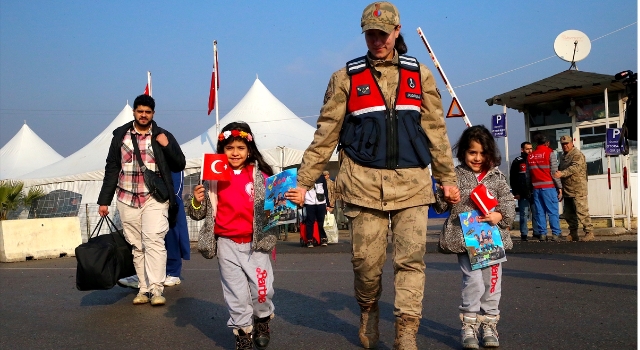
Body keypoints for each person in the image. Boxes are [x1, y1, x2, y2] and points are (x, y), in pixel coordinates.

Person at [286, 2, 460, 348]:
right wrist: (304, 182)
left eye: (383, 33)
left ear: (397, 31)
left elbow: (436, 132)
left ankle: (406, 332)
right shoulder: (345, 78)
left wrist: (447, 178)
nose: (377, 40)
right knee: (367, 264)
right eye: (370, 34)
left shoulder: (420, 75)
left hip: (412, 183)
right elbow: (326, 135)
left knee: (411, 261)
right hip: (362, 185)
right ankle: (367, 311)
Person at [188, 122, 278, 350]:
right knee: (236, 295)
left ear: (249, 149)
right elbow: (198, 214)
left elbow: (277, 207)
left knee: (262, 292)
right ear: (222, 149)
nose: (235, 152)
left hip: (256, 243)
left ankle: (262, 320)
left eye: (240, 147)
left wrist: (287, 197)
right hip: (227, 244)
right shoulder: (211, 177)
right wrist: (197, 200)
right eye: (229, 148)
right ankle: (243, 334)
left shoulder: (261, 174)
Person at [97, 94, 186, 306]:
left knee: (154, 241)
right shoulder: (120, 136)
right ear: (134, 112)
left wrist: (166, 146)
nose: (143, 115)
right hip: (126, 197)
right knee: (137, 246)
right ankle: (143, 288)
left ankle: (156, 289)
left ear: (153, 114)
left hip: (154, 198)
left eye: (147, 112)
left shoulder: (163, 135)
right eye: (140, 111)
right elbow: (112, 168)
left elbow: (179, 164)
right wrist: (104, 201)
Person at [433, 125, 515, 349]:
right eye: (472, 152)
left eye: (482, 153)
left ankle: (489, 324)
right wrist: (446, 196)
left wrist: (500, 215)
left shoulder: (497, 176)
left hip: (492, 241)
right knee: (473, 282)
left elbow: (508, 202)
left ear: (490, 152)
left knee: (492, 284)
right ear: (463, 153)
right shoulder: (455, 176)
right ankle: (469, 326)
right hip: (465, 238)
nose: (477, 158)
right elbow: (439, 205)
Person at [117, 171, 191, 289]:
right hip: (145, 189)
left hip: (165, 184)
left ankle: (172, 271)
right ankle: (143, 274)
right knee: (143, 234)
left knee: (170, 232)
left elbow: (177, 165)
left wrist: (173, 198)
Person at [554, 135, 595, 241]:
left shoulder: (577, 154)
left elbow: (575, 168)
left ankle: (589, 232)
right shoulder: (563, 156)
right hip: (567, 189)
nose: (565, 146)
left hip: (578, 189)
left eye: (567, 143)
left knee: (582, 211)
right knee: (569, 213)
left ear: (572, 143)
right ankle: (573, 233)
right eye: (563, 144)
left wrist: (561, 174)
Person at [527, 133, 563, 242]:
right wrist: (560, 187)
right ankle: (556, 234)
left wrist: (530, 188)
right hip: (549, 187)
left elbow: (528, 175)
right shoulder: (550, 153)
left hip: (536, 188)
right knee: (552, 211)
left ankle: (543, 234)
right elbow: (554, 172)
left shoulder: (530, 156)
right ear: (547, 143)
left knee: (540, 212)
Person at [509, 141, 539, 241]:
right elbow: (513, 178)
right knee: (524, 214)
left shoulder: (535, 160)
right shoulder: (517, 161)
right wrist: (516, 192)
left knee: (536, 212)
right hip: (522, 193)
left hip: (534, 191)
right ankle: (524, 234)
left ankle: (537, 232)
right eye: (527, 149)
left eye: (531, 149)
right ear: (522, 150)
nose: (530, 151)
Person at [303, 174, 330, 247]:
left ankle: (323, 238)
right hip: (309, 202)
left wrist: (328, 204)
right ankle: (309, 239)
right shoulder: (304, 177)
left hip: (321, 202)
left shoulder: (321, 177)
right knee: (310, 221)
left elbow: (325, 190)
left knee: (321, 222)